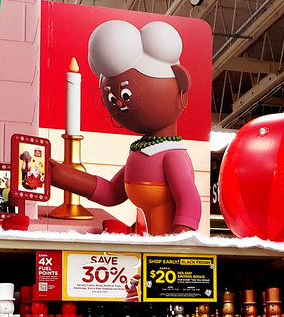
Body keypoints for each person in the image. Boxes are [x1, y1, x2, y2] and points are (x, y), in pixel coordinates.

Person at [48, 20, 201, 236]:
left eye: (126, 95)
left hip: (166, 249)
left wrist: (179, 242)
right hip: (146, 244)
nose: (119, 103)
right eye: (112, 98)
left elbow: (190, 203)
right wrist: (61, 176)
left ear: (181, 91)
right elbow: (111, 193)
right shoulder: (140, 153)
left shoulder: (172, 156)